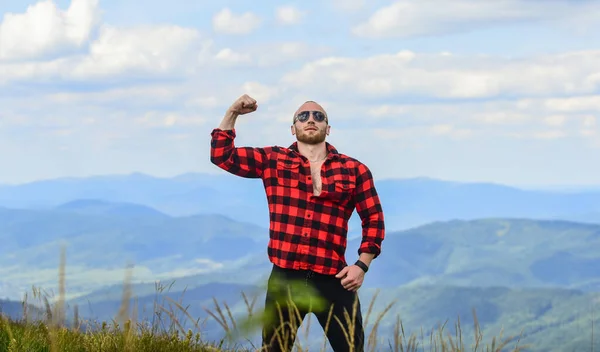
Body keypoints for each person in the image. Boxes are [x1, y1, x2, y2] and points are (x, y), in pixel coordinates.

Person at [209, 94, 385, 352]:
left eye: (318, 116)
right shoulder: (274, 161)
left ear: (328, 128)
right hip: (285, 277)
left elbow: (374, 218)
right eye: (303, 116)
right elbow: (222, 156)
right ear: (293, 129)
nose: (310, 119)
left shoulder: (354, 169)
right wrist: (233, 112)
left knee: (351, 349)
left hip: (334, 278)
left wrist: (362, 265)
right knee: (274, 349)